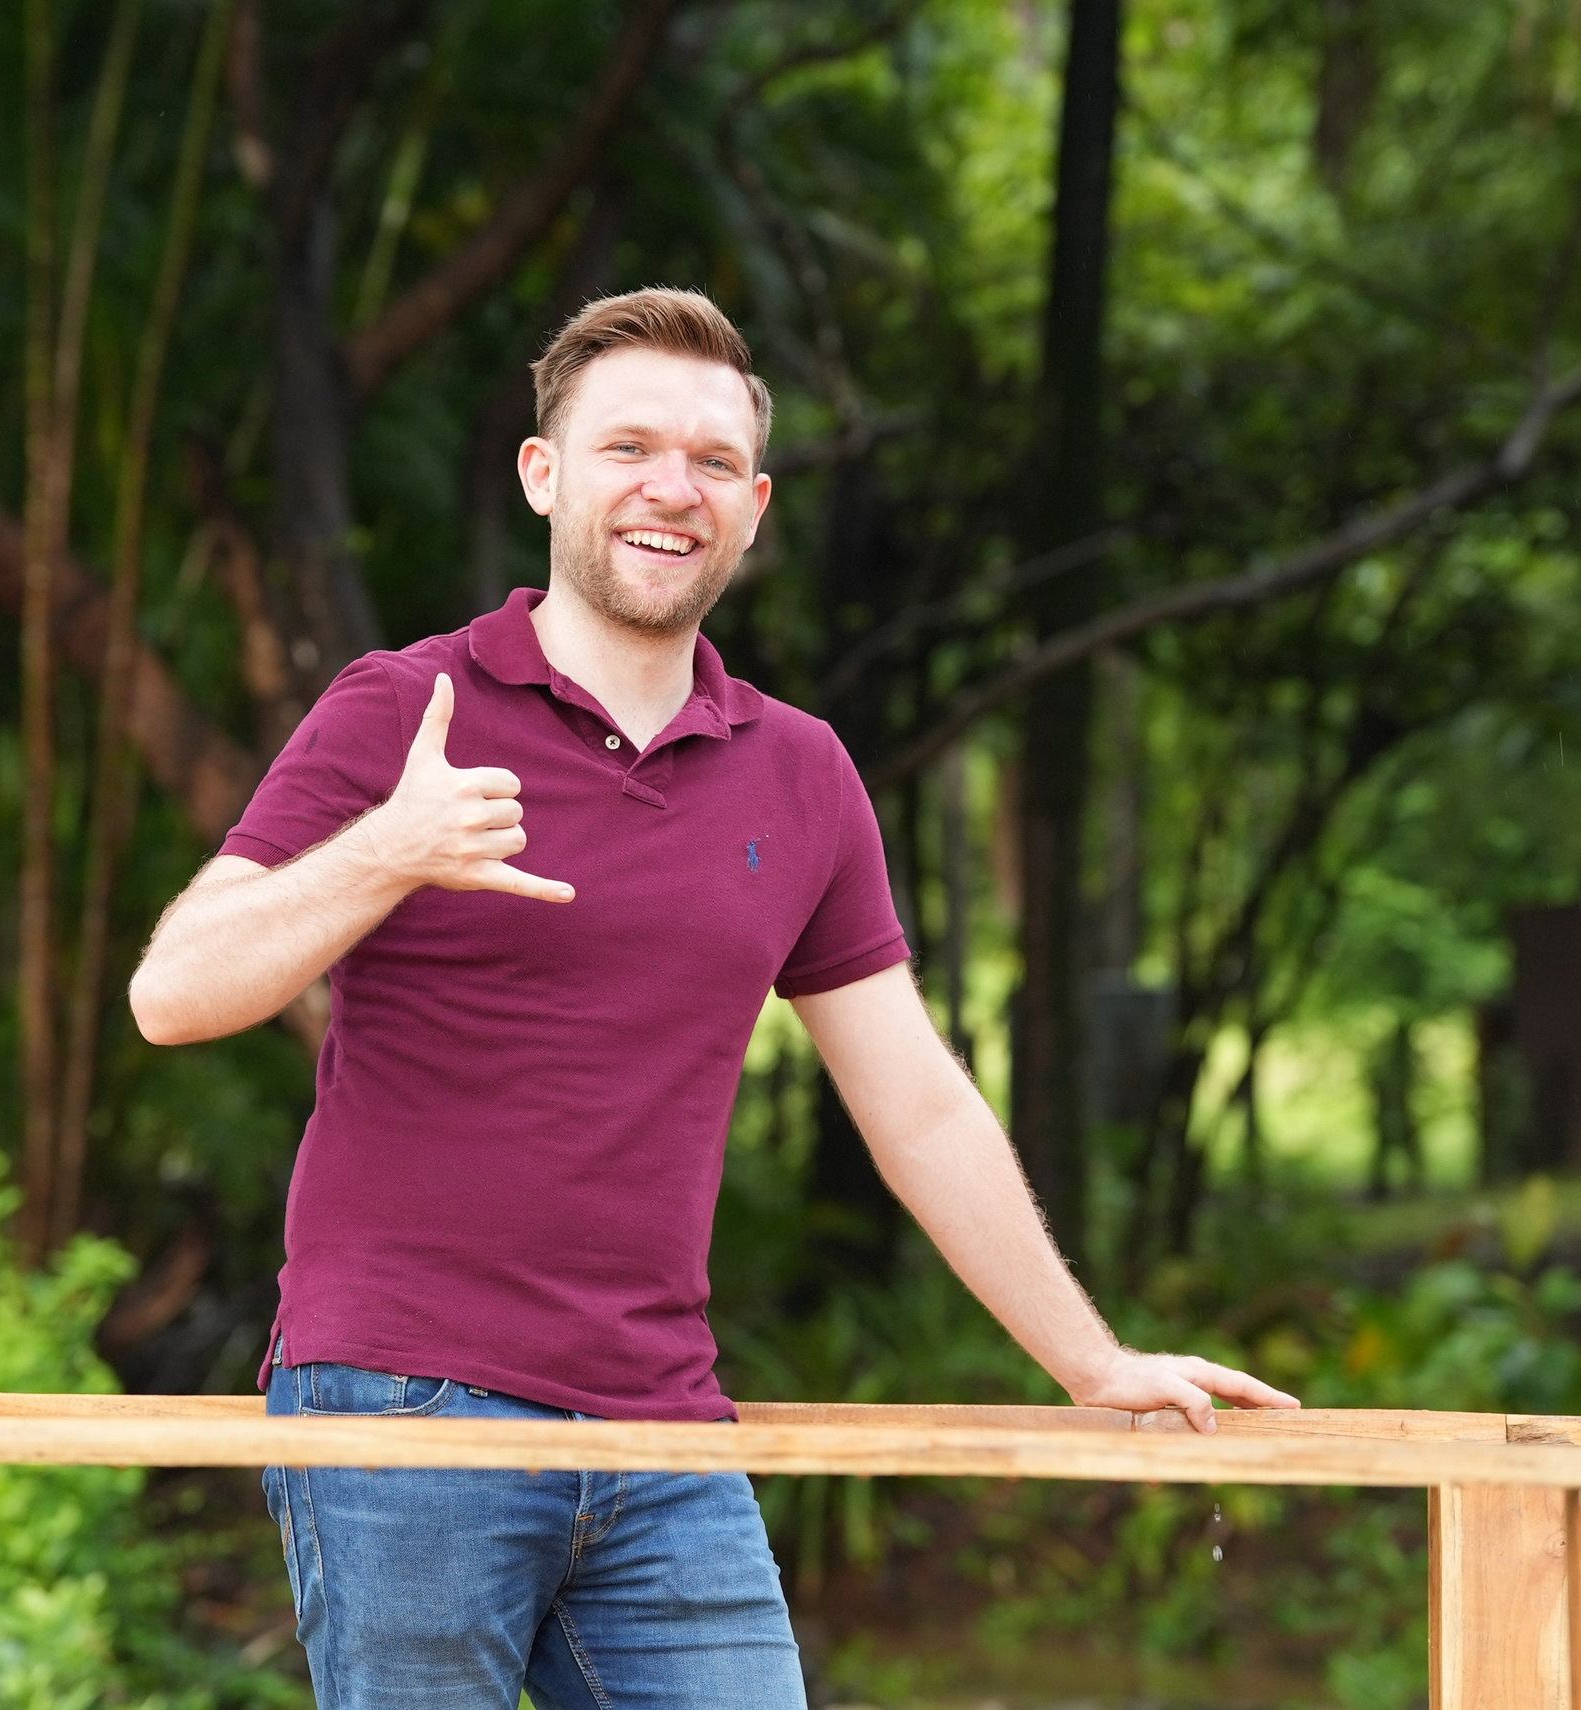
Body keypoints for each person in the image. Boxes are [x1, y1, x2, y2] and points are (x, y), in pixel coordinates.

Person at [128, 287, 1297, 1710]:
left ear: (750, 507)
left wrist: (1088, 1356)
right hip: (404, 1408)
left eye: (706, 462)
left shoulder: (800, 773)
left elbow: (916, 1099)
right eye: (626, 448)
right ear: (544, 473)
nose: (666, 488)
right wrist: (393, 848)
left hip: (664, 1425)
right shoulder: (405, 707)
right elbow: (174, 990)